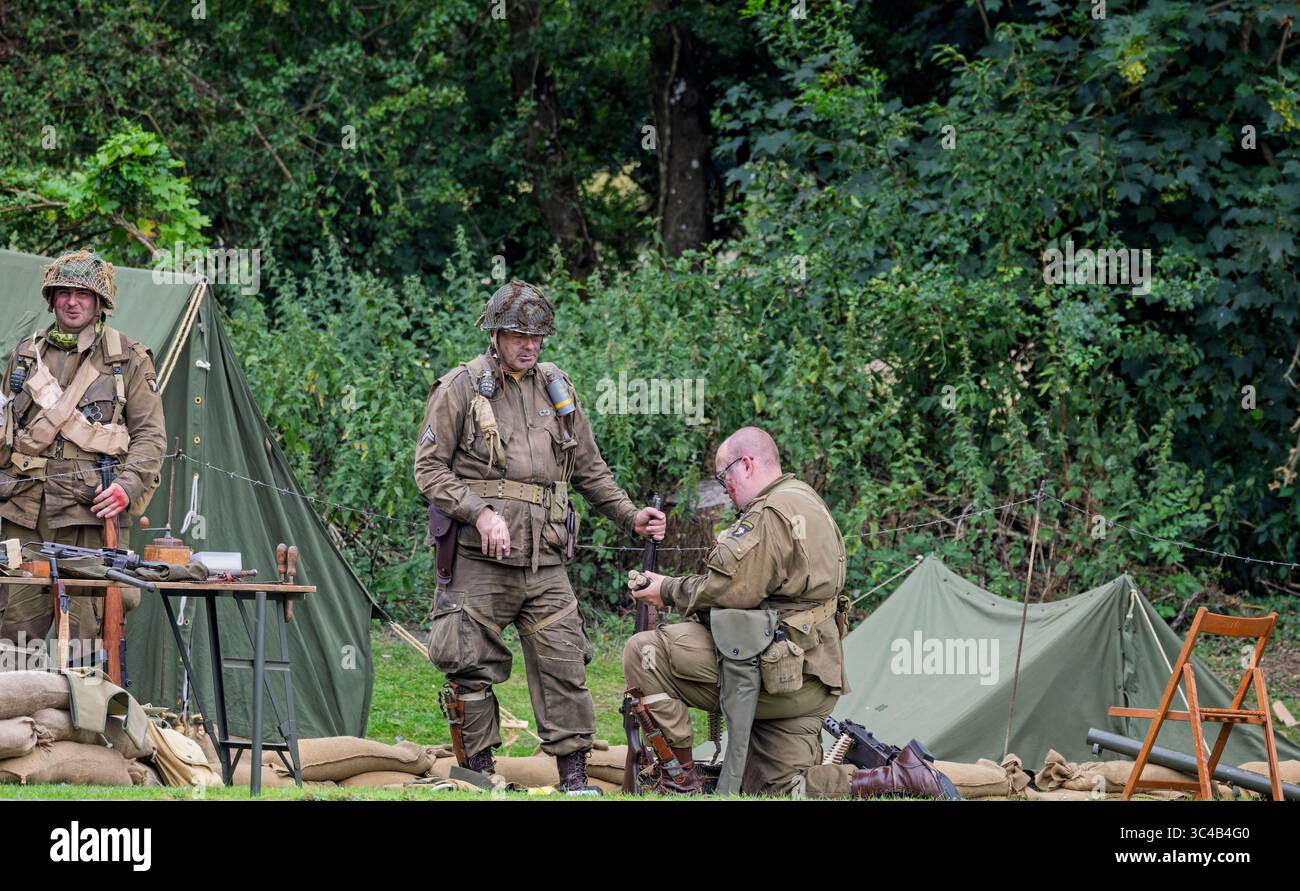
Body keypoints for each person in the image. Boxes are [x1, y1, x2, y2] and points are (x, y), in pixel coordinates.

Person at [414, 279, 665, 792]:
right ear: (495, 334)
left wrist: (629, 515)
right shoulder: (460, 387)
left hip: (546, 559)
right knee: (468, 664)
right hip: (479, 559)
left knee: (565, 662)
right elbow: (428, 470)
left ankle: (574, 778)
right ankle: (478, 775)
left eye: (538, 338)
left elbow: (589, 470)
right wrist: (479, 512)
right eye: (518, 336)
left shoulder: (558, 388)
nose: (529, 346)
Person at [623, 425, 863, 796]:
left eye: (725, 476)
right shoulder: (806, 498)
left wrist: (666, 589)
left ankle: (678, 782)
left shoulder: (768, 513)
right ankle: (898, 779)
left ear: (747, 464)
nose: (725, 487)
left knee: (644, 652)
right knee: (780, 788)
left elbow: (729, 591)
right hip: (813, 676)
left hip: (770, 674)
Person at [0, 249, 166, 653]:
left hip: (88, 513)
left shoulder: (127, 359)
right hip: (22, 511)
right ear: (52, 299)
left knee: (85, 639)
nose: (72, 302)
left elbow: (150, 437)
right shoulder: (26, 354)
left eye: (82, 294)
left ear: (99, 303)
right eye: (63, 293)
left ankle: (85, 714)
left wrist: (126, 486)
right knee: (11, 634)